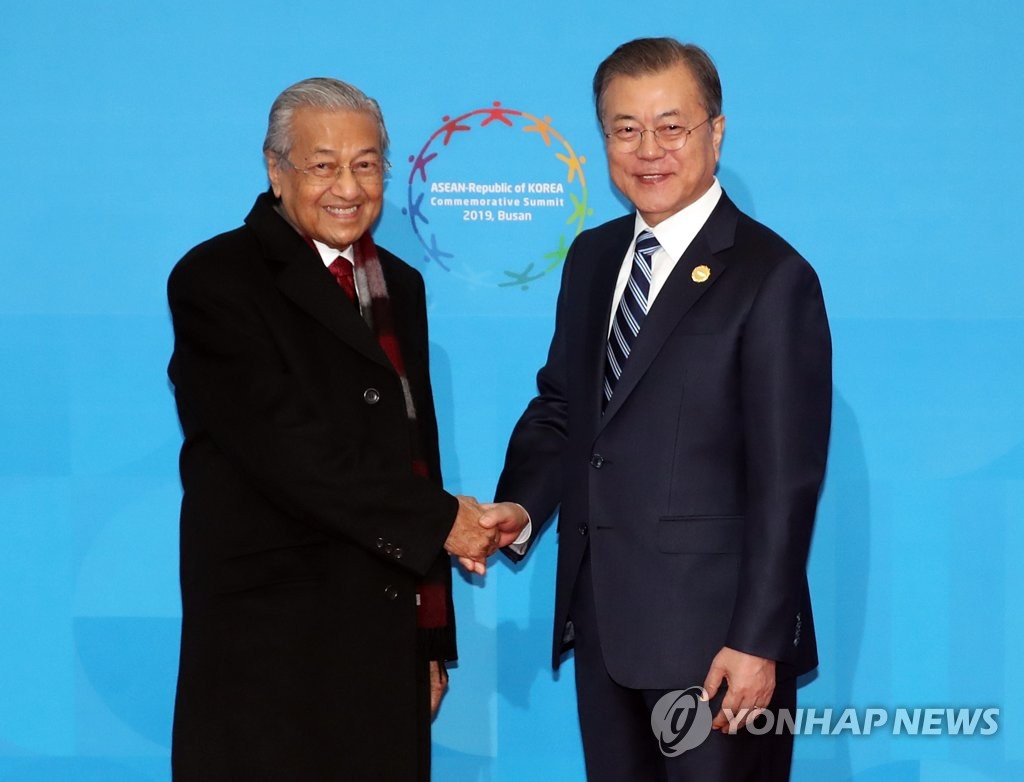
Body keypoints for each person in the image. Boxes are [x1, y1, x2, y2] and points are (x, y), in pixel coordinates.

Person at [481, 38, 832, 780]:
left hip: (717, 650)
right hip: (605, 628)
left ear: (716, 131)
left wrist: (758, 640)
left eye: (671, 127)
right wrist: (520, 504)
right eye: (625, 129)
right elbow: (566, 407)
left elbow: (786, 482)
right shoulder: (592, 258)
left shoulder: (773, 277)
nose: (649, 150)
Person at [167, 77, 496, 781]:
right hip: (271, 650)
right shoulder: (215, 280)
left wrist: (429, 638)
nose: (348, 187)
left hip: (383, 641)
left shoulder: (397, 284)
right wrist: (442, 521)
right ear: (276, 168)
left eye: (366, 164)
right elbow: (286, 450)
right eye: (323, 165)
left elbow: (417, 455)